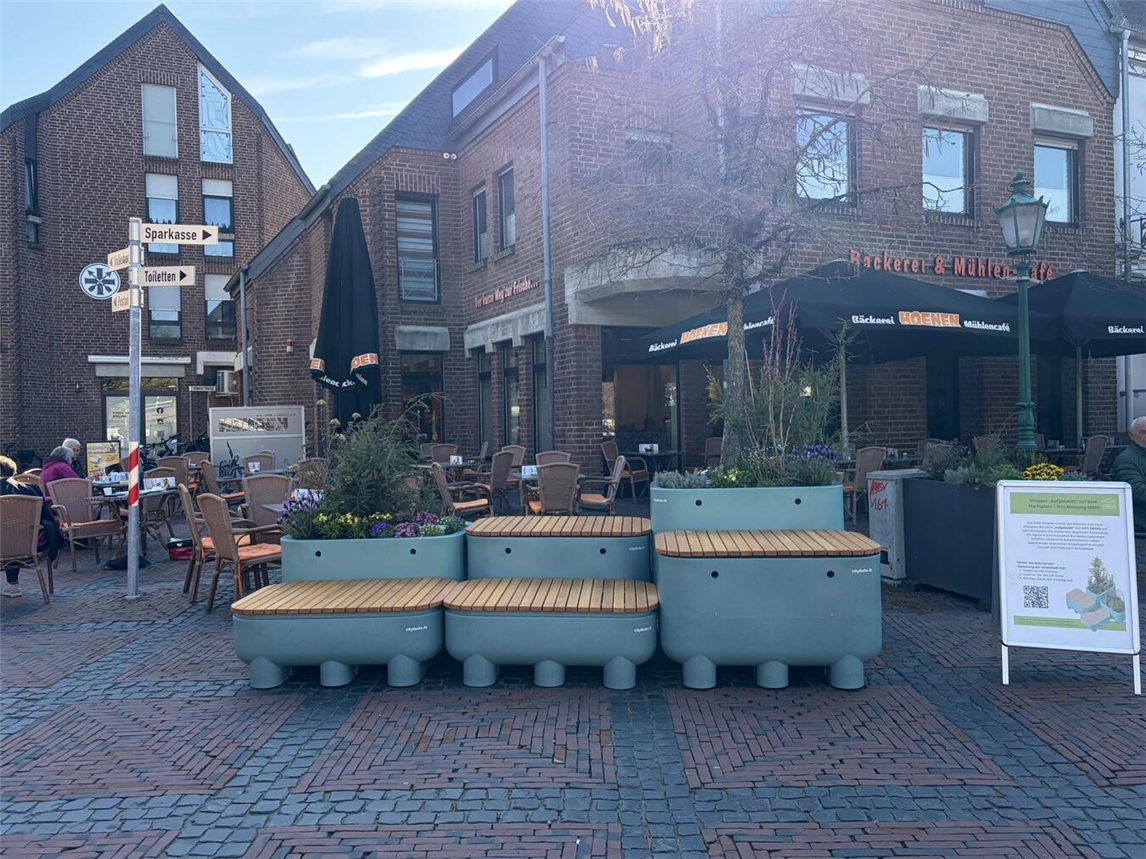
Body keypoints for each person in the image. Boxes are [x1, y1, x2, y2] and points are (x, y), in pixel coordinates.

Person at [0, 456, 64, 597]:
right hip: (30, 546)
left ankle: (13, 585)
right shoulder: (32, 489)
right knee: (14, 533)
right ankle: (13, 585)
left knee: (7, 534)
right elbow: (47, 518)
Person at [1112, 416, 1146, 532]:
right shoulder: (1126, 459)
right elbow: (1138, 492)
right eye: (1142, 432)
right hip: (1141, 520)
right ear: (1131, 435)